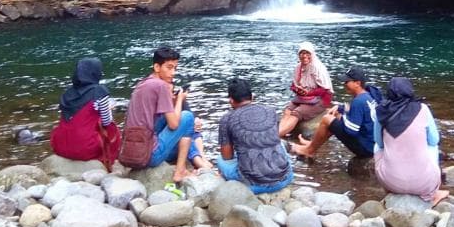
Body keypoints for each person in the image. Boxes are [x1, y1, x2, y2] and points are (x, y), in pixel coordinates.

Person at [125, 46, 211, 183]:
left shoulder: (142, 84)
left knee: (180, 127)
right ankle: (180, 171)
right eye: (169, 67)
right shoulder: (161, 86)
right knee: (187, 117)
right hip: (148, 156)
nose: (173, 73)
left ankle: (196, 159)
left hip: (129, 153)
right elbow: (174, 124)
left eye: (175, 68)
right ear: (157, 67)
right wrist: (180, 100)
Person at [373, 77, 449, 204]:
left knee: (377, 147)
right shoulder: (423, 108)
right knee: (432, 146)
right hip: (424, 183)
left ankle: (390, 190)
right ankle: (433, 193)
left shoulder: (381, 112)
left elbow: (379, 143)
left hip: (391, 183)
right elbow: (434, 140)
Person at [217, 78, 294, 194]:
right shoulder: (270, 111)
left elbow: (227, 157)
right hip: (285, 178)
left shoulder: (226, 119)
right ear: (252, 97)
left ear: (231, 101)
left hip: (254, 185)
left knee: (220, 160)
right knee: (280, 146)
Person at [291, 66, 381, 159]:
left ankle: (309, 150)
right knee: (333, 119)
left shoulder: (358, 101)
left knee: (327, 119)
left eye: (347, 82)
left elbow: (351, 131)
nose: (344, 84)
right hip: (372, 144)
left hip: (366, 149)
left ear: (357, 83)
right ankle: (313, 144)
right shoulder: (367, 96)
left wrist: (340, 116)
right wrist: (340, 108)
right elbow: (356, 113)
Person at [50, 57, 121, 169]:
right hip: (85, 148)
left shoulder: (67, 93)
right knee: (112, 128)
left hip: (61, 146)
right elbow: (107, 121)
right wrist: (109, 108)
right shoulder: (99, 92)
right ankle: (111, 161)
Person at [278, 41, 333, 137]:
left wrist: (308, 92)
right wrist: (297, 89)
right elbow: (293, 85)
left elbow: (325, 90)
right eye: (302, 53)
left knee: (296, 113)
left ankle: (277, 136)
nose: (304, 56)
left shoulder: (318, 67)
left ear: (312, 54)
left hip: (321, 99)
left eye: (308, 53)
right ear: (299, 55)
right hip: (303, 98)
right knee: (287, 111)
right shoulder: (298, 67)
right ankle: (279, 133)